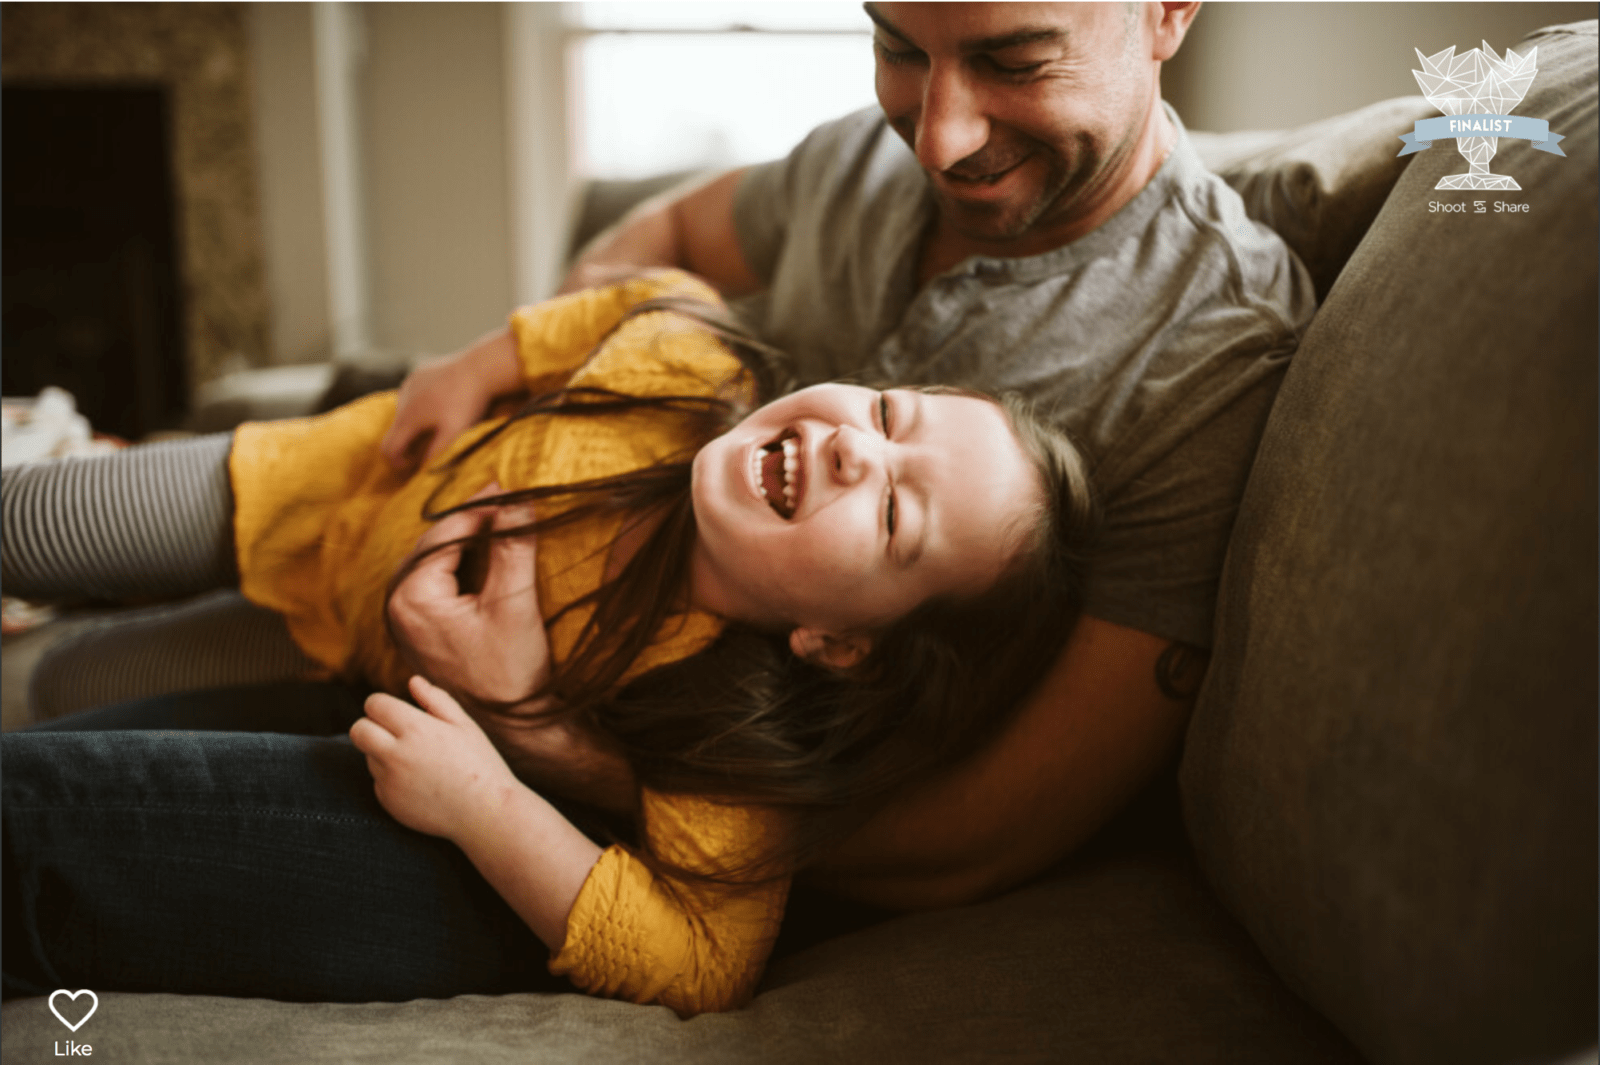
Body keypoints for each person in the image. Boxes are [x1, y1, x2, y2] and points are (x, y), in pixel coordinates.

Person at [375, 2, 1318, 908]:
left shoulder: (1217, 347)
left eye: (1016, 61)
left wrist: (548, 736)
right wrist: (535, 394)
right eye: (899, 47)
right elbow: (662, 238)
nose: (939, 141)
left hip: (624, 827)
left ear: (1168, 11)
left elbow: (979, 838)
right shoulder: (861, 158)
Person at [2, 271, 1097, 1015]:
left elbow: (707, 961)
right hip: (324, 479)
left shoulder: (724, 733)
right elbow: (655, 296)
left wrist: (488, 802)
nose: (861, 451)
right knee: (29, 526)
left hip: (326, 650)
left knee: (67, 681)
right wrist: (476, 366)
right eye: (890, 414)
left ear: (844, 642)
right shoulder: (690, 375)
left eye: (898, 519)